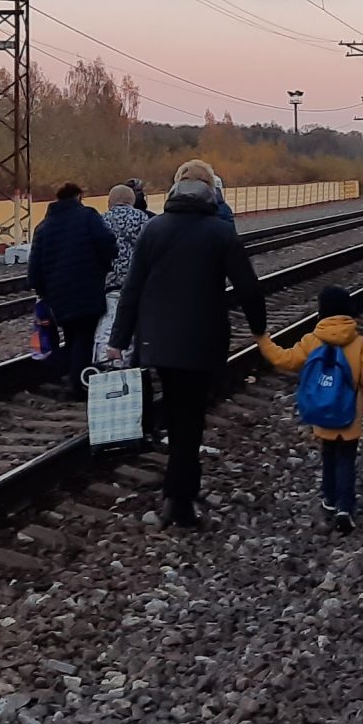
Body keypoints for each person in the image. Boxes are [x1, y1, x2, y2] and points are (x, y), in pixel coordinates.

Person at [107, 158, 267, 528]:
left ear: (176, 187)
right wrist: (259, 330)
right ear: (211, 190)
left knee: (179, 413)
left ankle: (182, 490)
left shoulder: (154, 229)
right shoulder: (220, 232)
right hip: (202, 341)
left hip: (159, 340)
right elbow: (248, 288)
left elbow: (132, 288)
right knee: (190, 417)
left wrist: (119, 339)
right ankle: (178, 500)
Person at [256, 283, 363, 534]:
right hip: (350, 413)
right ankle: (345, 507)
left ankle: (329, 499)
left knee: (329, 454)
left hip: (323, 412)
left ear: (321, 312)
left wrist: (263, 340)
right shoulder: (360, 343)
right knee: (346, 458)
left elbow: (284, 359)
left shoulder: (311, 341)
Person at [27, 183, 115, 399]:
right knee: (84, 337)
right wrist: (104, 266)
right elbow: (109, 245)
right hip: (88, 288)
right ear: (78, 196)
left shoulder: (43, 227)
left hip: (58, 295)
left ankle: (74, 379)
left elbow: (34, 268)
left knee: (72, 335)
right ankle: (80, 386)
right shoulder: (88, 216)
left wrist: (43, 291)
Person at [97, 182, 150, 357]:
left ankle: (105, 361)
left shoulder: (101, 220)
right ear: (131, 200)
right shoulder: (142, 218)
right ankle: (130, 361)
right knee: (133, 327)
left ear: (110, 201)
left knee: (107, 325)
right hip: (136, 282)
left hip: (109, 282)